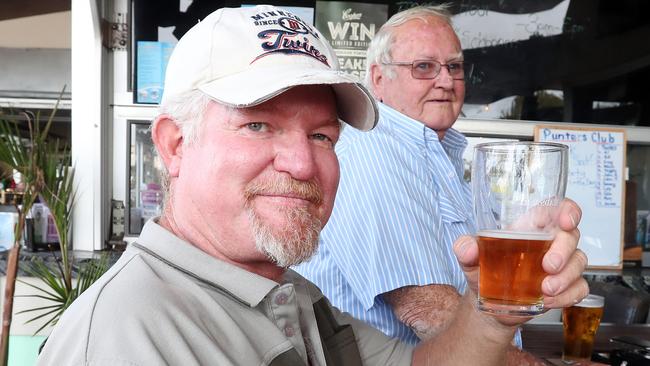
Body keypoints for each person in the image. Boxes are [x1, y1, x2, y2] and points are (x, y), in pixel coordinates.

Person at [37, 5, 587, 366]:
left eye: (323, 136)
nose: (303, 163)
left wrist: (494, 307)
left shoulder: (289, 293)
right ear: (176, 145)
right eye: (258, 124)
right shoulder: (126, 338)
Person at [294, 4, 585, 365]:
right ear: (379, 79)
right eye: (424, 67)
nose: (446, 80)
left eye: (454, 66)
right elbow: (429, 311)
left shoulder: (438, 156)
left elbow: (480, 289)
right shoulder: (372, 148)